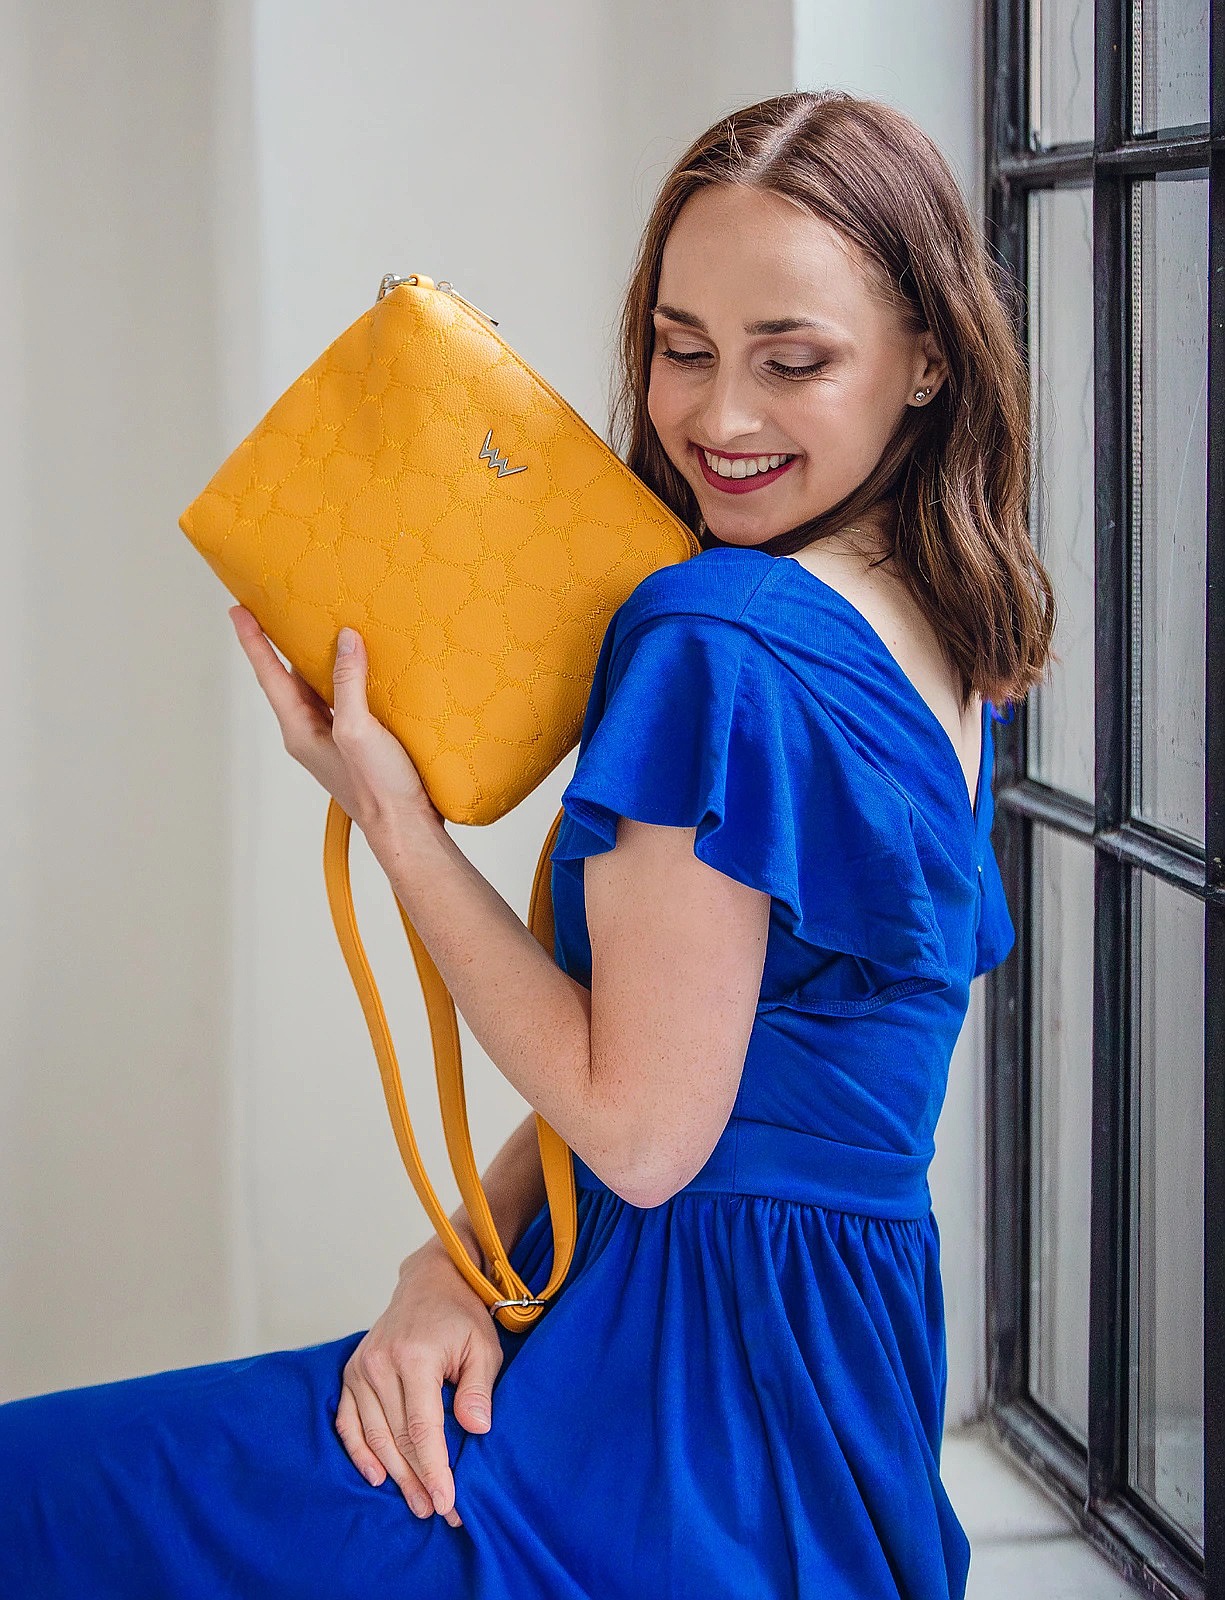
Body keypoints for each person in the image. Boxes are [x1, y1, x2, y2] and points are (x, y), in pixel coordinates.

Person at [0, 89, 1054, 1598]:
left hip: (662, 1411)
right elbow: (720, 1075)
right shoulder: (942, 636)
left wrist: (394, 819)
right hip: (827, 1401)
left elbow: (643, 1131)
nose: (719, 418)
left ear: (929, 358)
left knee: (42, 1505)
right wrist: (459, 1261)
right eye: (681, 348)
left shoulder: (723, 639)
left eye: (791, 361)